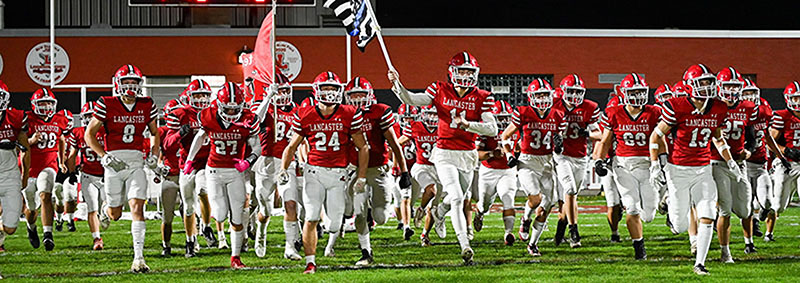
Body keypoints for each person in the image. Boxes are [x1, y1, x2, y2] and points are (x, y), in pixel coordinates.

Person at [389, 51, 497, 264]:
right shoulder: (439, 89)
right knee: (457, 196)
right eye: (462, 71)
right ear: (452, 72)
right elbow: (413, 99)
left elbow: (493, 129)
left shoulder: (482, 97)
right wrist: (398, 84)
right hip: (444, 152)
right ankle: (465, 245)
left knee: (459, 197)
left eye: (469, 71)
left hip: (467, 154)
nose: (465, 75)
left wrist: (468, 125)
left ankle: (439, 211)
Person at [649, 64, 742, 275]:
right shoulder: (677, 105)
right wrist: (655, 165)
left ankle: (700, 263)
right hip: (678, 169)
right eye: (703, 82)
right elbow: (656, 135)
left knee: (708, 213)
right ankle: (670, 204)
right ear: (690, 85)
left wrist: (730, 162)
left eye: (710, 82)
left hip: (703, 169)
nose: (708, 86)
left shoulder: (718, 107)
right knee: (680, 226)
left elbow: (718, 138)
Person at [280, 71, 369, 274]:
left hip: (338, 174)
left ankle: (326, 238)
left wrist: (362, 176)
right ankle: (310, 263)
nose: (330, 92)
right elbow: (292, 145)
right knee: (311, 216)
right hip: (314, 172)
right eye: (326, 88)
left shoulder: (349, 113)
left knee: (334, 225)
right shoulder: (305, 113)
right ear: (316, 90)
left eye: (334, 88)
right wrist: (283, 169)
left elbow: (363, 147)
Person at [85, 65, 161, 272]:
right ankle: (105, 209)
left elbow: (155, 133)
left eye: (134, 83)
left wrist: (154, 155)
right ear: (118, 84)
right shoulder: (106, 103)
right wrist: (104, 155)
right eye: (126, 82)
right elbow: (89, 134)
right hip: (114, 163)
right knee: (115, 213)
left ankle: (139, 258)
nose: (130, 87)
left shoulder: (146, 104)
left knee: (138, 208)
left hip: (136, 162)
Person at [184, 82, 261, 269]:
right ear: (219, 105)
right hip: (214, 171)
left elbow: (257, 147)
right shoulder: (207, 116)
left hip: (235, 172)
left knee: (236, 216)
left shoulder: (249, 119)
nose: (233, 113)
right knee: (219, 214)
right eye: (228, 109)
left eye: (236, 109)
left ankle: (235, 257)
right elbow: (199, 137)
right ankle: (208, 227)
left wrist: (248, 161)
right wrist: (190, 159)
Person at [594, 73, 660, 259]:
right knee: (631, 208)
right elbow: (606, 141)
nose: (638, 95)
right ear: (624, 93)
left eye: (641, 91)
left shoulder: (654, 112)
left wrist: (661, 161)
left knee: (649, 215)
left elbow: (661, 138)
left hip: (647, 165)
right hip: (623, 165)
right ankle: (639, 249)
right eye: (634, 91)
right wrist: (599, 160)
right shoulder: (614, 113)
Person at [503, 78, 566, 256]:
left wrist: (559, 145)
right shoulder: (523, 112)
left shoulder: (557, 115)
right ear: (531, 96)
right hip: (528, 162)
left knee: (547, 205)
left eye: (545, 95)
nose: (542, 99)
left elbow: (559, 140)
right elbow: (505, 136)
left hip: (547, 162)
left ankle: (532, 243)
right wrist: (509, 155)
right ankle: (525, 218)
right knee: (536, 199)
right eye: (539, 95)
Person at [711, 67, 760, 261]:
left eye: (735, 86)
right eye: (728, 85)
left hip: (740, 163)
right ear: (720, 87)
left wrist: (749, 151)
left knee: (745, 208)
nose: (731, 90)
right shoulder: (712, 106)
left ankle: (749, 242)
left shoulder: (748, 107)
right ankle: (726, 252)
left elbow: (752, 136)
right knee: (725, 208)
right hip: (717, 162)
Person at [164, 79, 215, 256]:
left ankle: (206, 226)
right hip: (187, 164)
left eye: (204, 95)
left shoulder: (215, 113)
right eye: (197, 95)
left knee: (202, 190)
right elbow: (168, 145)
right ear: (189, 97)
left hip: (208, 163)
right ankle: (190, 241)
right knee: (188, 206)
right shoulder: (180, 114)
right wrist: (179, 133)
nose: (201, 99)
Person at [551, 74, 600, 248]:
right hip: (561, 155)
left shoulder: (589, 107)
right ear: (563, 91)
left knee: (571, 197)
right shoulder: (553, 104)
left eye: (578, 92)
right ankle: (574, 231)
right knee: (570, 190)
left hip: (580, 157)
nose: (574, 95)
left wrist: (586, 133)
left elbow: (599, 134)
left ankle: (560, 229)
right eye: (571, 91)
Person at [22, 88, 72, 251]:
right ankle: (31, 227)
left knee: (45, 195)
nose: (46, 106)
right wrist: (31, 140)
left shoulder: (60, 119)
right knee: (31, 207)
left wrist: (61, 160)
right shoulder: (26, 119)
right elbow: (18, 144)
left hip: (48, 164)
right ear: (34, 104)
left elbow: (61, 139)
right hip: (28, 167)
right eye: (42, 103)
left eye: (49, 103)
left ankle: (48, 234)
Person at [474, 100, 519, 246]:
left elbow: (519, 148)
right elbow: (476, 154)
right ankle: (480, 212)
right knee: (485, 204)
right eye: (499, 118)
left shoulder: (514, 130)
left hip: (508, 171)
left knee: (507, 198)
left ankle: (508, 233)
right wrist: (492, 154)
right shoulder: (485, 132)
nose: (503, 121)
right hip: (489, 171)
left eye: (506, 117)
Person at [398, 105, 442, 246]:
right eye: (430, 114)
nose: (433, 118)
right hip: (421, 166)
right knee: (431, 190)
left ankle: (425, 235)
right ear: (423, 114)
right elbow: (398, 143)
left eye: (435, 115)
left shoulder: (444, 127)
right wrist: (394, 163)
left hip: (439, 169)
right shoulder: (415, 126)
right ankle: (421, 209)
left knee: (434, 207)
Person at [66, 102, 107, 250]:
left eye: (92, 116)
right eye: (87, 116)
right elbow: (72, 155)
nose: (89, 119)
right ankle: (97, 238)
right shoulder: (78, 133)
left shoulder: (106, 131)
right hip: (88, 175)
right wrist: (71, 172)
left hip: (107, 176)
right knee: (92, 208)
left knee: (109, 209)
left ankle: (105, 214)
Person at [0, 80, 32, 253]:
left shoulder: (17, 117)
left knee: (11, 227)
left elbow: (25, 149)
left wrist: (25, 175)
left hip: (9, 174)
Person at [767, 81, 800, 243]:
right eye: (795, 98)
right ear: (788, 99)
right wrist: (786, 151)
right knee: (779, 205)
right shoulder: (782, 116)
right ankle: (768, 232)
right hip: (786, 164)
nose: (798, 102)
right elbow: (770, 141)